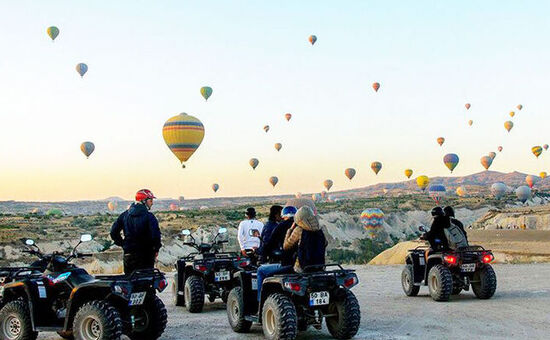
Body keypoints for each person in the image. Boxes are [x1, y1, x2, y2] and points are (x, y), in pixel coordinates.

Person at [110, 189, 161, 275]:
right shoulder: (149, 217)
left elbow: (113, 232)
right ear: (143, 201)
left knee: (130, 283)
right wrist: (156, 249)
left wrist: (123, 244)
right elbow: (155, 236)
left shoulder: (124, 215)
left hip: (129, 255)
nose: (152, 203)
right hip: (146, 255)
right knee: (146, 282)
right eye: (150, 200)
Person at [255, 206, 298, 301]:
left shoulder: (281, 227)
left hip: (288, 264)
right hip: (307, 265)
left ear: (283, 215)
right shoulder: (304, 227)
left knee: (261, 271)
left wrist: (258, 252)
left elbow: (269, 245)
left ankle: (260, 302)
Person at [283, 206, 326, 273]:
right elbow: (325, 243)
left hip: (301, 268)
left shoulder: (299, 230)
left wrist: (290, 230)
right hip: (319, 267)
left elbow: (286, 246)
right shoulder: (319, 230)